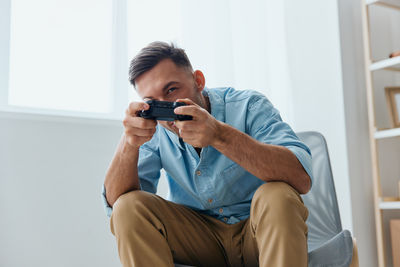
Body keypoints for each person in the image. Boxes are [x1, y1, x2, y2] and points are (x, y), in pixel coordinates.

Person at [102, 41, 313, 267]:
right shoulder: (153, 129)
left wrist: (219, 135)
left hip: (260, 233)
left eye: (172, 90)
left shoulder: (249, 106)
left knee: (278, 194)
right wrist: (128, 143)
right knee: (128, 207)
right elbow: (117, 206)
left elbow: (300, 177)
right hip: (198, 242)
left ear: (198, 81)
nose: (167, 110)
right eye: (152, 103)